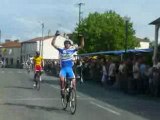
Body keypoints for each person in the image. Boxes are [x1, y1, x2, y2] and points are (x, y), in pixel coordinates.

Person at [51, 30, 84, 98]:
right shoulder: (61, 49)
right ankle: (62, 90)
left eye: (68, 43)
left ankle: (70, 92)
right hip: (63, 69)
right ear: (64, 44)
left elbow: (82, 45)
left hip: (70, 69)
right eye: (66, 43)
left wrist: (82, 37)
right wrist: (55, 36)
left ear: (70, 44)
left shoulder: (72, 49)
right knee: (62, 80)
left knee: (74, 83)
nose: (67, 44)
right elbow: (53, 44)